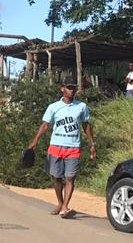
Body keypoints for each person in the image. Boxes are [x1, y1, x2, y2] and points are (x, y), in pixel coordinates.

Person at [26, 81, 96, 219]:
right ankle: (60, 203)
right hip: (56, 146)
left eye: (74, 88)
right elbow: (45, 125)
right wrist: (35, 142)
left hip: (73, 147)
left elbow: (86, 125)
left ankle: (65, 206)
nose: (72, 90)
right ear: (62, 89)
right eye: (69, 88)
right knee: (56, 178)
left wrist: (92, 143)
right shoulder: (53, 107)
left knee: (70, 177)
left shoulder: (81, 107)